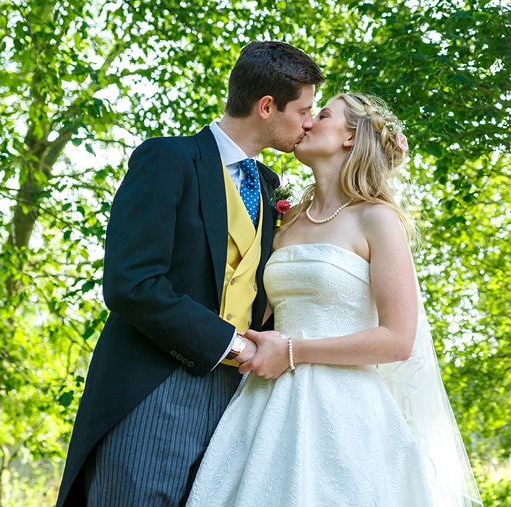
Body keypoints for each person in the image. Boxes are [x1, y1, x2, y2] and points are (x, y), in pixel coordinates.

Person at [56, 41, 325, 507]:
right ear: (266, 107)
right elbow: (132, 283)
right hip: (155, 388)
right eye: (303, 110)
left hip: (238, 400)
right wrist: (235, 344)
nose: (309, 121)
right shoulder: (166, 160)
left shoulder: (268, 186)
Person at [186, 93, 481, 507]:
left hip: (345, 411)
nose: (306, 123)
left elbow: (397, 340)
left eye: (321, 115)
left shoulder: (377, 219)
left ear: (350, 138)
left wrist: (292, 351)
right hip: (263, 404)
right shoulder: (283, 222)